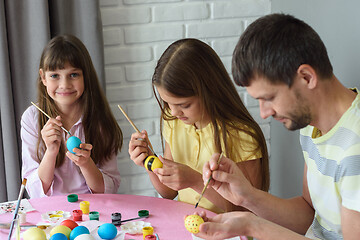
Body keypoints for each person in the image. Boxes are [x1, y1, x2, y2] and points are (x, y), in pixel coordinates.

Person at [197, 13, 360, 239]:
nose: (264, 114)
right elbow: (308, 212)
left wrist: (252, 226)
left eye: (269, 98)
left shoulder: (356, 148)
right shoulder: (311, 124)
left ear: (306, 77)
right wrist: (246, 197)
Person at [128, 38, 269, 213]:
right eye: (168, 103)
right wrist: (149, 161)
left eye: (184, 105)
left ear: (210, 91)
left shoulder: (241, 135)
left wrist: (194, 181)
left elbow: (249, 210)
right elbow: (169, 192)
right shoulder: (174, 122)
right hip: (185, 227)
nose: (173, 113)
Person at [21, 35, 123, 198]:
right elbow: (34, 192)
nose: (64, 85)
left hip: (92, 210)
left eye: (73, 75)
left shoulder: (99, 119)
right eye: (55, 75)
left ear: (85, 76)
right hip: (50, 213)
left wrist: (86, 164)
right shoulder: (32, 118)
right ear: (43, 77)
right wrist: (51, 152)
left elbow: (108, 191)